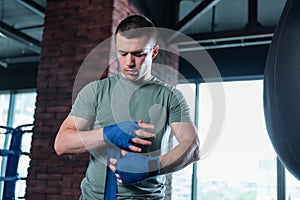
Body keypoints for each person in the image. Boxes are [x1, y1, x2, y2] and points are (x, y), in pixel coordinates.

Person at [54, 14, 200, 200]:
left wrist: (152, 166)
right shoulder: (96, 91)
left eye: (139, 54)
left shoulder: (170, 96)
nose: (129, 62)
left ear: (154, 52)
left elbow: (192, 146)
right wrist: (107, 133)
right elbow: (62, 144)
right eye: (123, 53)